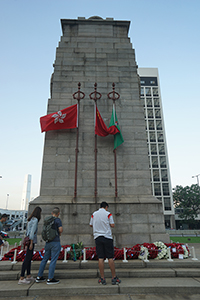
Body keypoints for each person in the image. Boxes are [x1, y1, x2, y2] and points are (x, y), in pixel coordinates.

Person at [90, 201, 121, 285]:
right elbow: (112, 225)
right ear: (106, 207)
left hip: (98, 237)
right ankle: (114, 277)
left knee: (100, 257)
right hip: (107, 237)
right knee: (110, 257)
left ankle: (102, 278)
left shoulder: (94, 214)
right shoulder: (108, 214)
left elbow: (91, 224)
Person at [36, 207, 63, 285]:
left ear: (52, 213)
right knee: (53, 260)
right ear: (58, 213)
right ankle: (50, 278)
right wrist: (59, 233)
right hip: (55, 242)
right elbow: (60, 230)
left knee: (44, 259)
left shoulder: (47, 220)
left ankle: (39, 276)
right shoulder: (57, 220)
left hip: (48, 242)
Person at [18, 206, 42, 284]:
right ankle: (22, 277)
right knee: (27, 259)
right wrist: (31, 243)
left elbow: (28, 231)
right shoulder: (35, 220)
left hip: (28, 240)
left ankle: (28, 275)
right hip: (31, 241)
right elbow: (32, 232)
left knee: (29, 258)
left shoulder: (30, 219)